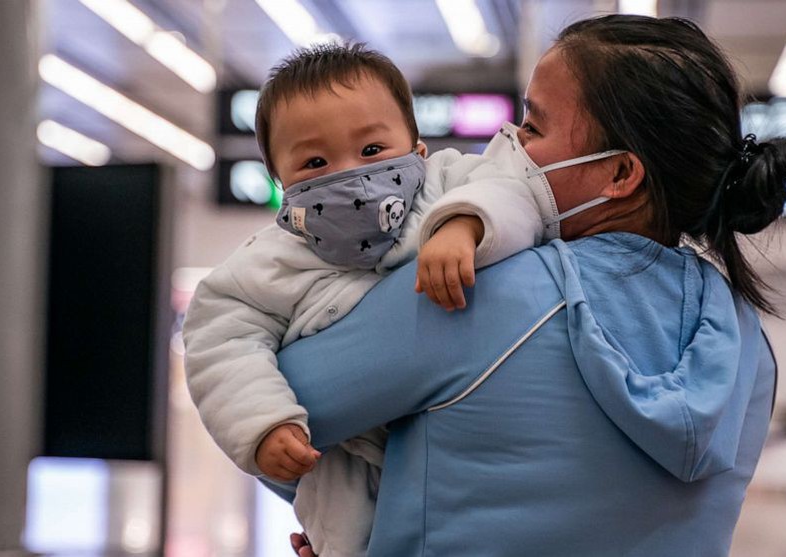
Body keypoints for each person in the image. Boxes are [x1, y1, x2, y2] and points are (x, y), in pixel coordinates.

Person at [278, 14, 786, 557]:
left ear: (620, 174)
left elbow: (273, 413)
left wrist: (351, 523)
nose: (510, 145)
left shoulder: (479, 291)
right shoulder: (746, 339)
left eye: (533, 127)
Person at [182, 44, 545, 557]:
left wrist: (464, 222)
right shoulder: (269, 260)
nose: (348, 174)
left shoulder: (447, 184)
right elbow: (219, 339)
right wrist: (262, 423)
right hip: (349, 474)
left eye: (372, 151)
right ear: (280, 184)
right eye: (314, 162)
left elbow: (513, 189)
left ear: (417, 148)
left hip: (468, 444)